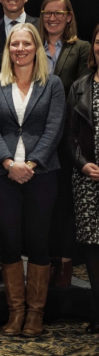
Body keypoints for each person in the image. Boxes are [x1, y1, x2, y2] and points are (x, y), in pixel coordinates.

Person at [0, 22, 65, 337]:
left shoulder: (52, 83)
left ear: (36, 48)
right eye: (14, 45)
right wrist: (8, 162)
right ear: (8, 49)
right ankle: (15, 313)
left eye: (26, 44)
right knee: (9, 240)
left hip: (41, 173)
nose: (20, 49)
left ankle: (35, 315)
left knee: (39, 241)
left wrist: (30, 163)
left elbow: (54, 127)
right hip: (2, 174)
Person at [38, 0, 92, 287]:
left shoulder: (81, 48)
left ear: (69, 16)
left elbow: (79, 93)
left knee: (65, 206)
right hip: (36, 135)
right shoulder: (32, 46)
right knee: (42, 205)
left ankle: (64, 265)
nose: (53, 18)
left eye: (59, 13)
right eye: (48, 13)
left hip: (68, 136)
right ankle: (44, 263)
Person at [66, 22, 99, 334]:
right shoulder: (79, 86)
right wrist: (82, 164)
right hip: (88, 177)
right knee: (93, 247)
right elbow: (71, 135)